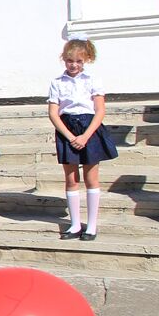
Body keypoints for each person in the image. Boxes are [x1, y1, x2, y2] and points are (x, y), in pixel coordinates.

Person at [47, 37, 117, 242]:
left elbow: (100, 109)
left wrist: (85, 136)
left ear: (85, 60)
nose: (74, 65)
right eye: (70, 61)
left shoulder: (92, 80)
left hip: (88, 128)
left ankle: (92, 225)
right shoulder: (57, 82)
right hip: (67, 128)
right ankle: (75, 223)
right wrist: (69, 136)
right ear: (64, 60)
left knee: (91, 177)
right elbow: (53, 112)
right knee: (71, 178)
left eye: (79, 61)